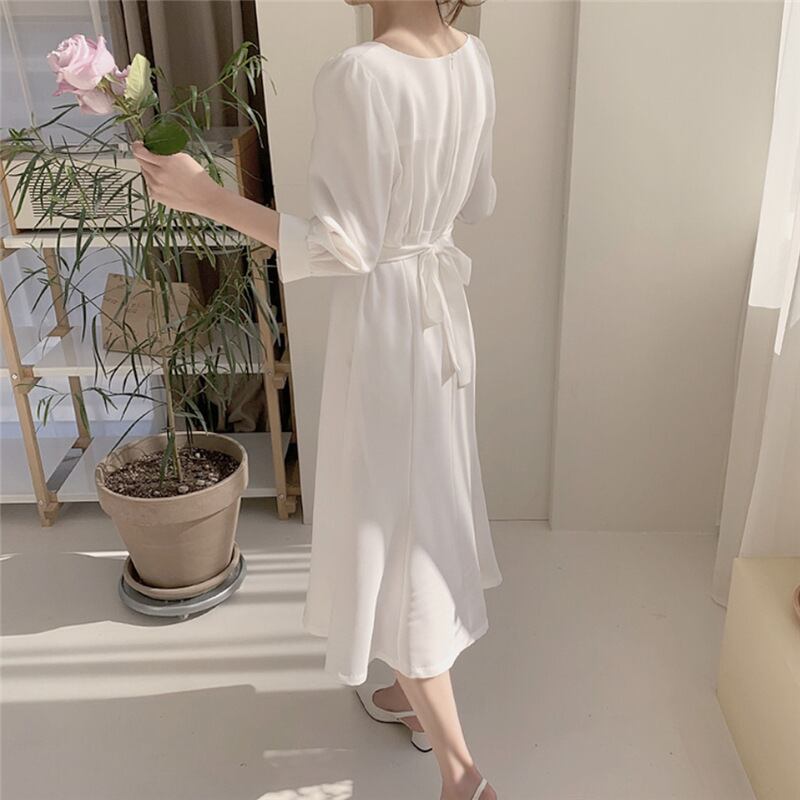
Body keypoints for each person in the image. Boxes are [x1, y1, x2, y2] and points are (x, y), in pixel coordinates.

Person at [132, 2, 501, 798]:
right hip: (440, 321)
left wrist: (203, 195)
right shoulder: (471, 58)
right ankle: (410, 698)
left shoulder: (360, 74)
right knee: (422, 508)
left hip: (389, 329)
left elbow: (344, 246)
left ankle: (463, 775)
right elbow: (477, 201)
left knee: (391, 527)